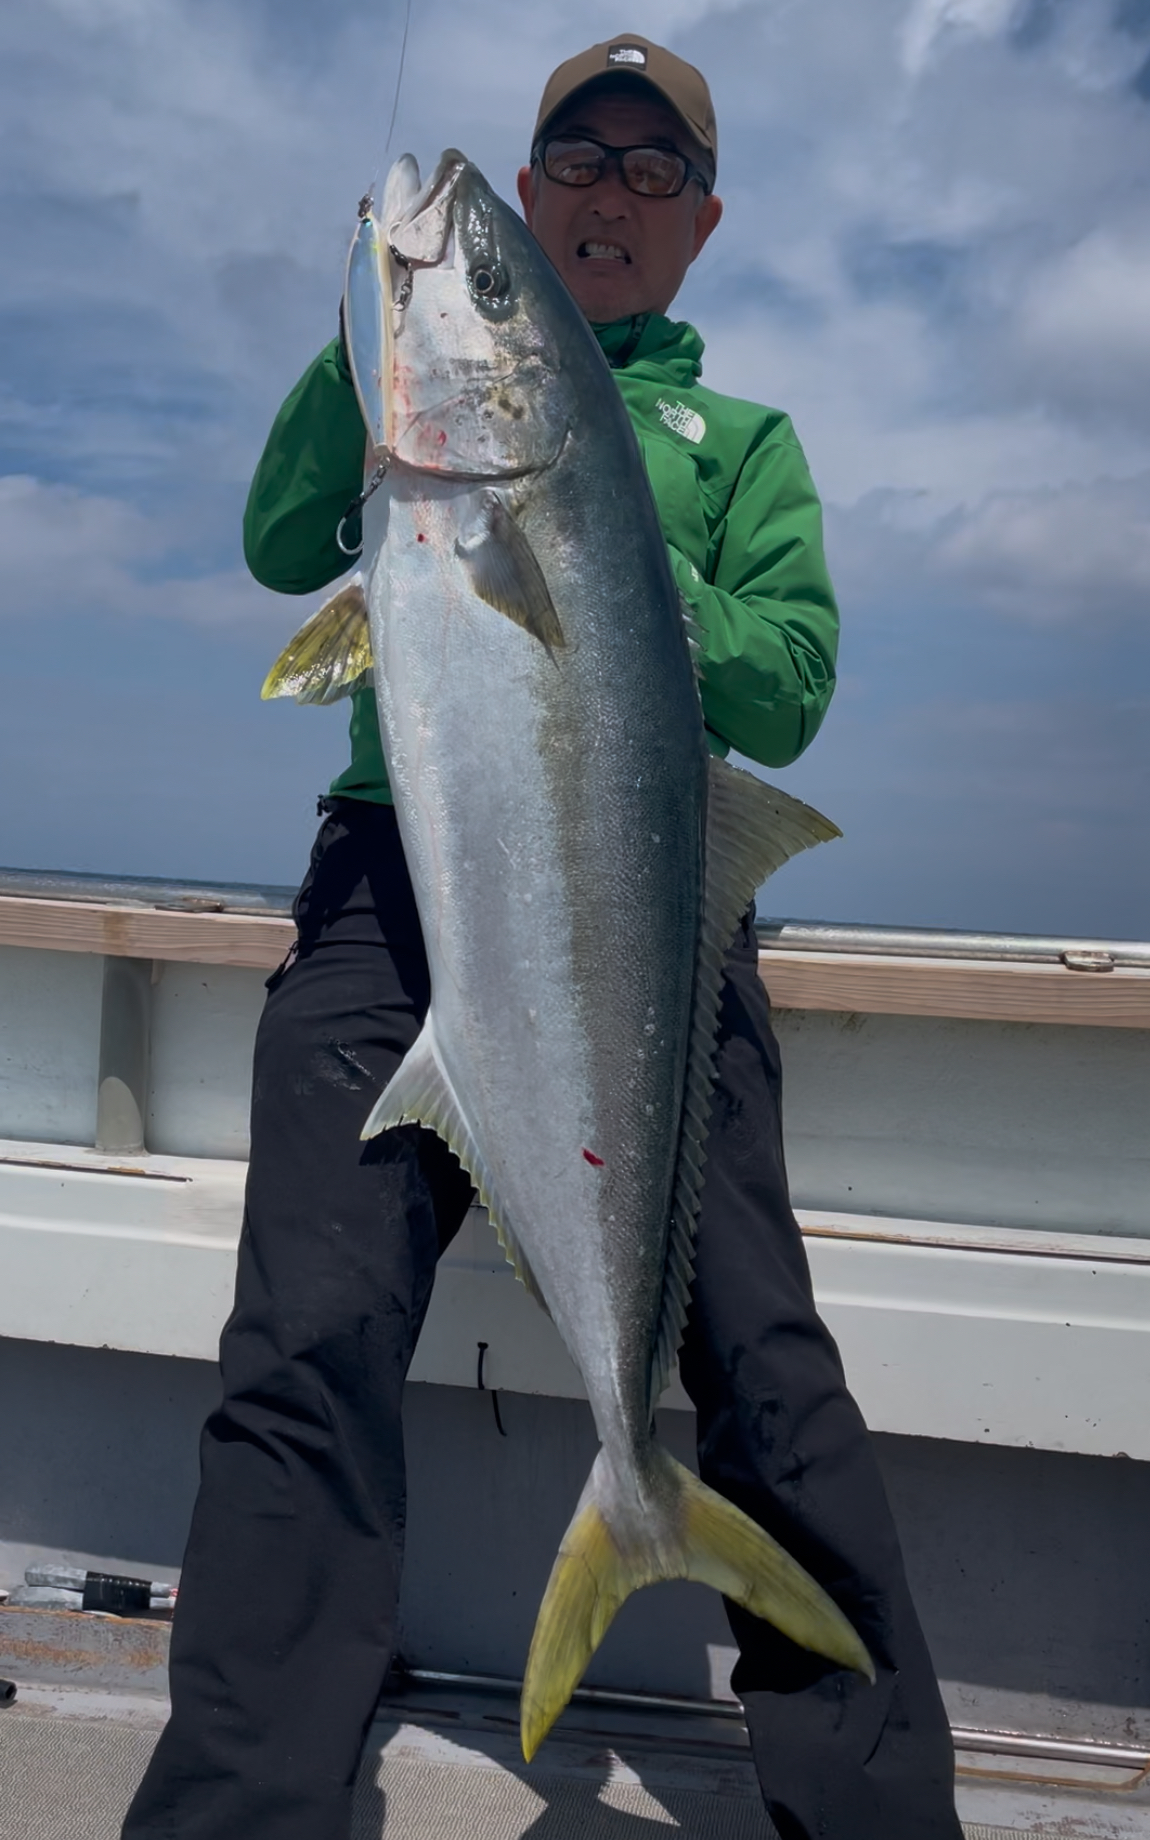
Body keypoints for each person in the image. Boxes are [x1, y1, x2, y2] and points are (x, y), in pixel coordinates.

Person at [122, 33, 963, 1840]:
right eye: (571, 161)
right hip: (385, 898)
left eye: (652, 173)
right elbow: (283, 540)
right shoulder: (400, 402)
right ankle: (242, 1806)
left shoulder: (735, 445)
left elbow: (793, 686)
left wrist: (587, 529)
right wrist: (381, 336)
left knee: (763, 1355)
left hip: (648, 911)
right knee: (307, 1335)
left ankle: (874, 1811)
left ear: (702, 227)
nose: (603, 195)